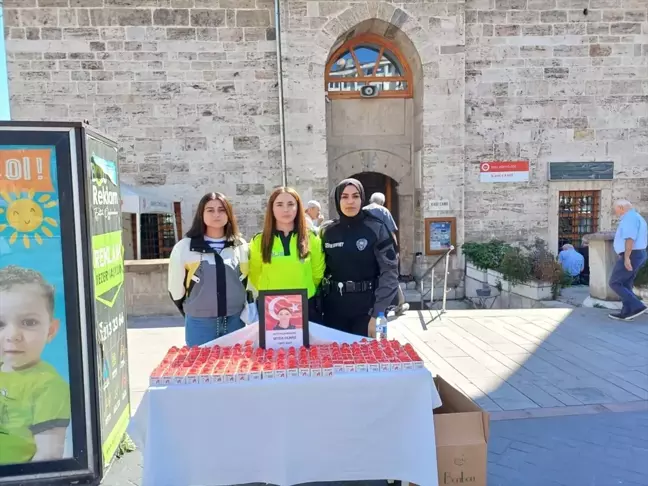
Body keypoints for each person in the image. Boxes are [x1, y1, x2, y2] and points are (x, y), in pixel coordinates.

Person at [0, 265, 71, 464]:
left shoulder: (48, 387)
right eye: (0, 324)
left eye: (28, 322)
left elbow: (48, 455)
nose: (13, 336)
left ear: (51, 330)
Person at [320, 179, 399, 337]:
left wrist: (378, 313)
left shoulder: (376, 228)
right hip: (333, 310)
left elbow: (389, 272)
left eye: (355, 196)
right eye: (344, 197)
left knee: (366, 359)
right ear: (337, 200)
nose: (350, 202)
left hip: (367, 310)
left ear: (362, 199)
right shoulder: (326, 231)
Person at [168, 192, 249, 346]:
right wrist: (194, 308)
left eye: (222, 210)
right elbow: (175, 288)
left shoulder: (240, 245)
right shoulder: (185, 247)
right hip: (200, 323)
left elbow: (245, 280)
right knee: (201, 368)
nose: (216, 214)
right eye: (210, 210)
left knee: (233, 367)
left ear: (229, 214)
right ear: (201, 214)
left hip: (235, 321)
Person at [248, 187, 325, 322]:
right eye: (279, 204)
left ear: (298, 208)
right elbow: (254, 274)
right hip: (270, 308)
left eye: (290, 204)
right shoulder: (259, 241)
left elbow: (317, 273)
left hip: (305, 307)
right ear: (272, 208)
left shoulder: (311, 238)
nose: (286, 209)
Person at [363, 192, 409, 314]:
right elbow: (391, 233)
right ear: (382, 202)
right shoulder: (384, 211)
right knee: (390, 276)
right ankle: (399, 304)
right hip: (383, 250)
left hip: (365, 250)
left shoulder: (362, 211)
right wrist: (396, 251)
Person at [608, 200, 647, 321]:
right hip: (637, 253)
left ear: (621, 207)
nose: (615, 212)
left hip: (632, 254)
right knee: (625, 283)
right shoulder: (636, 216)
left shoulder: (630, 218)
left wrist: (626, 258)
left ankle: (637, 306)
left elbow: (630, 239)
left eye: (615, 209)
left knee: (614, 282)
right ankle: (627, 311)